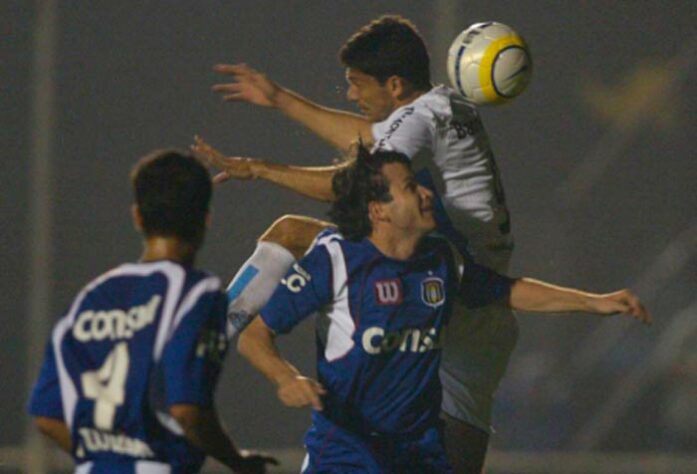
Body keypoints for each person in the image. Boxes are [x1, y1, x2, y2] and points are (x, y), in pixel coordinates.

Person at [194, 14, 519, 472]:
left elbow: (357, 181)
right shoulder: (443, 110)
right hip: (479, 312)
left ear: (394, 84)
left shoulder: (416, 121)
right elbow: (369, 140)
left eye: (357, 83)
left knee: (300, 242)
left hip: (446, 290)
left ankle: (203, 343)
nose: (350, 94)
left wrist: (261, 169)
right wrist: (280, 99)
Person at [236, 147, 650, 473]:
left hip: (421, 456)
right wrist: (285, 377)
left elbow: (505, 291)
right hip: (347, 454)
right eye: (410, 188)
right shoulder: (336, 259)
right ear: (378, 210)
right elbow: (255, 335)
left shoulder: (439, 259)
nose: (426, 193)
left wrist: (593, 302)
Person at [27, 150, 277, 473]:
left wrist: (104, 460)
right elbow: (187, 410)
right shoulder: (197, 294)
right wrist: (236, 460)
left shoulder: (89, 298)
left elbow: (47, 418)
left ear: (137, 217)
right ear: (206, 218)